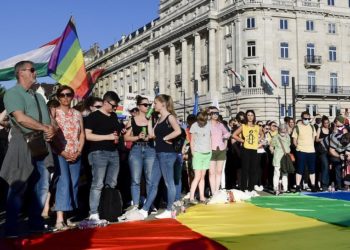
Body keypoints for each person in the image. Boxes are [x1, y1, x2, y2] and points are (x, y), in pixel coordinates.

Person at [0, 61, 56, 237]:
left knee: (41, 186)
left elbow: (49, 120)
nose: (35, 73)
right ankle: (10, 229)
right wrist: (45, 128)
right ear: (20, 73)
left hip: (41, 143)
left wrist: (52, 129)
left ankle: (36, 224)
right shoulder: (12, 93)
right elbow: (20, 118)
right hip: (22, 142)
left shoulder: (38, 96)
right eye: (32, 70)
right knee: (18, 184)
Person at [139, 94, 181, 219]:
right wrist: (149, 121)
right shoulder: (158, 119)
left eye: (155, 103)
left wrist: (166, 138)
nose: (153, 105)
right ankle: (145, 209)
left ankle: (169, 209)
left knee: (169, 182)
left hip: (168, 154)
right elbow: (151, 135)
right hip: (158, 153)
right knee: (153, 182)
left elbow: (178, 130)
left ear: (163, 104)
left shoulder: (170, 117)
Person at [85, 91, 123, 221]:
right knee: (98, 184)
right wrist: (107, 137)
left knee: (112, 183)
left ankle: (108, 210)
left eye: (116, 106)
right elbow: (88, 135)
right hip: (98, 153)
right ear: (105, 102)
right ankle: (94, 212)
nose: (115, 108)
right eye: (113, 105)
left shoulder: (113, 116)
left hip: (113, 152)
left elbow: (116, 131)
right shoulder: (93, 116)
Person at [52, 85, 85, 230]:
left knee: (73, 184)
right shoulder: (54, 112)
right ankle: (59, 219)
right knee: (63, 182)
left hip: (75, 152)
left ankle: (66, 216)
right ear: (58, 97)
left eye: (69, 94)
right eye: (63, 95)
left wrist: (79, 151)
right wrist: (62, 151)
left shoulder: (77, 114)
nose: (66, 97)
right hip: (60, 152)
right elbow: (51, 133)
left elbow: (82, 134)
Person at [124, 95, 155, 209]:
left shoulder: (150, 119)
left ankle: (149, 204)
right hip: (136, 149)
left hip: (149, 149)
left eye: (149, 105)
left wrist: (149, 137)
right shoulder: (132, 120)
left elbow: (151, 134)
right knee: (135, 179)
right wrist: (137, 137)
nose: (148, 107)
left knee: (150, 179)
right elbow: (126, 137)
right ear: (139, 106)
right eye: (145, 105)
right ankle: (136, 205)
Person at [232, 110, 263, 191]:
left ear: (254, 116)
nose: (250, 117)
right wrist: (243, 141)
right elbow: (234, 135)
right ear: (246, 116)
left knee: (253, 170)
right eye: (248, 115)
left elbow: (262, 134)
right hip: (245, 149)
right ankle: (243, 189)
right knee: (245, 169)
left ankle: (251, 189)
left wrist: (259, 139)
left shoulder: (257, 127)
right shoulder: (243, 126)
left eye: (251, 115)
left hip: (254, 149)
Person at [188, 110, 211, 204]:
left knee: (203, 176)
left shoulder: (209, 125)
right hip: (198, 153)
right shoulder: (194, 126)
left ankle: (201, 196)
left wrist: (210, 151)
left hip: (207, 153)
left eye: (203, 121)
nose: (202, 123)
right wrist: (193, 152)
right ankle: (191, 197)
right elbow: (192, 140)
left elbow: (211, 137)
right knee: (197, 176)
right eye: (200, 120)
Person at [292, 111, 317, 192]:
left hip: (311, 151)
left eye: (308, 118)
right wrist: (299, 148)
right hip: (301, 151)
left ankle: (313, 185)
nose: (307, 120)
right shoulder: (297, 127)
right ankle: (298, 186)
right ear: (302, 118)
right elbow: (294, 140)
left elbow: (313, 139)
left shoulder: (312, 127)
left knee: (312, 169)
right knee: (300, 169)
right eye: (305, 118)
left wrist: (310, 146)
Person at [208, 106, 230, 195]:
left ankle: (217, 191)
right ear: (209, 114)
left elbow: (228, 133)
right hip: (210, 150)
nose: (216, 115)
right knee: (211, 172)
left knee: (219, 171)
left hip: (220, 150)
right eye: (213, 113)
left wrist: (224, 143)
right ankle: (213, 192)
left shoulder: (220, 124)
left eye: (217, 113)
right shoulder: (206, 125)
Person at [269, 124, 291, 195]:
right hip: (278, 158)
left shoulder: (288, 137)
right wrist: (272, 151)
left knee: (285, 173)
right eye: (282, 129)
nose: (283, 130)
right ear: (279, 130)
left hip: (285, 158)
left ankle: (285, 188)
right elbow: (271, 146)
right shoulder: (275, 137)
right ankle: (275, 188)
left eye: (284, 129)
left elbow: (288, 145)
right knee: (277, 173)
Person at [315, 116, 330, 191]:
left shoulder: (330, 130)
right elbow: (316, 139)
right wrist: (324, 139)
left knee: (327, 167)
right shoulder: (320, 129)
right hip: (321, 151)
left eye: (327, 123)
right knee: (325, 166)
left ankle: (327, 184)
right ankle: (324, 185)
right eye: (325, 123)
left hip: (329, 151)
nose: (326, 124)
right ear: (322, 123)